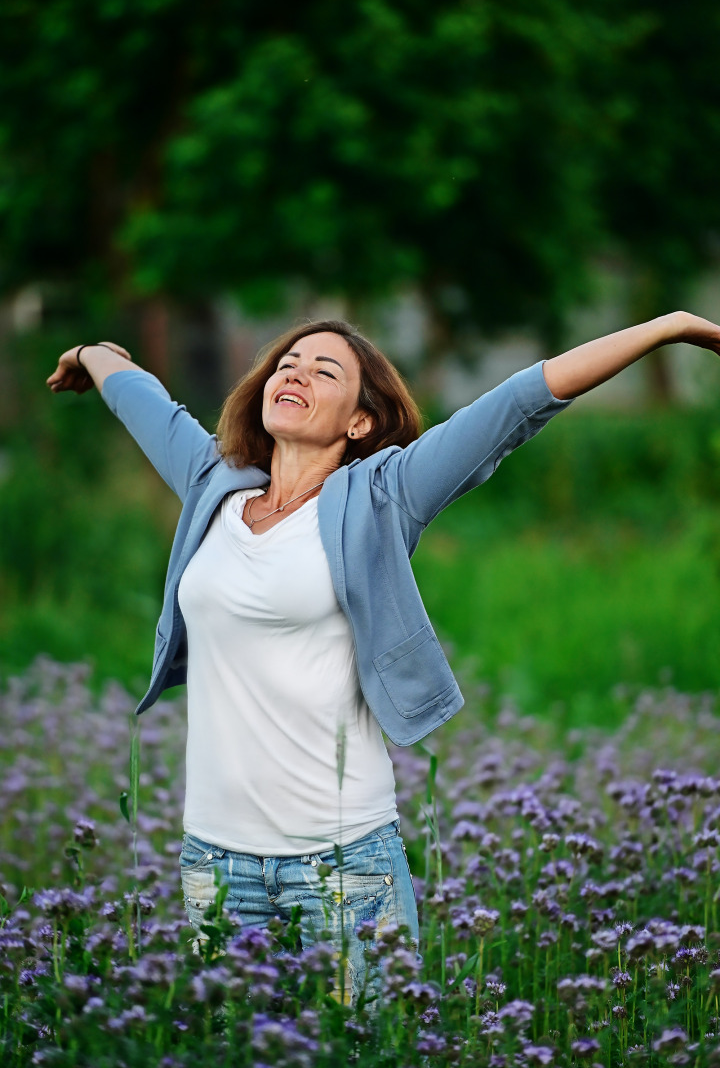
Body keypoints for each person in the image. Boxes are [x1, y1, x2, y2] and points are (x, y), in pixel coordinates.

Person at [47, 311, 720, 1002]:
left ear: (360, 422)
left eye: (324, 370)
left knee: (367, 1044)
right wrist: (92, 352)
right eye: (288, 362)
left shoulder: (384, 495)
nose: (295, 372)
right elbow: (144, 399)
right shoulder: (212, 483)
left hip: (343, 865)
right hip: (215, 861)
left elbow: (520, 402)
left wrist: (666, 328)